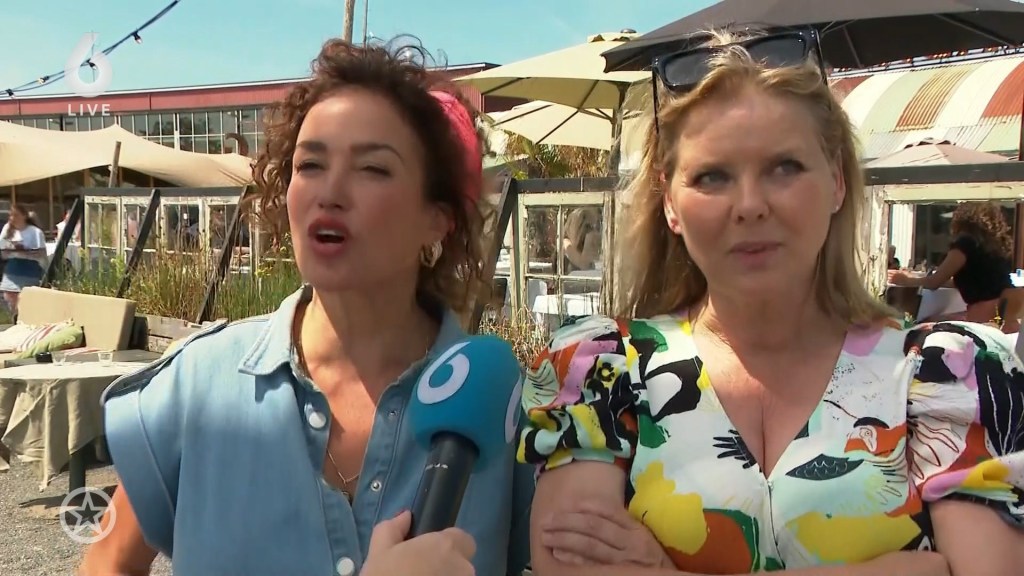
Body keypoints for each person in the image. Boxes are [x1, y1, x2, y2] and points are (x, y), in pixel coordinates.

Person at [517, 28, 1024, 575]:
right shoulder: (600, 370)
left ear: (837, 181)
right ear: (670, 204)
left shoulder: (949, 372)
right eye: (712, 176)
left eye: (784, 167)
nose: (750, 205)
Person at [79, 37, 533, 576]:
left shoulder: (504, 407)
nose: (329, 192)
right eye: (310, 164)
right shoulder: (196, 385)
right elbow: (106, 563)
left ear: (437, 219)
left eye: (373, 169)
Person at [889, 202, 1013, 327]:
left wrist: (906, 280)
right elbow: (975, 282)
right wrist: (916, 279)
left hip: (986, 314)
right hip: (1008, 309)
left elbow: (934, 282)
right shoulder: (995, 246)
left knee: (924, 325)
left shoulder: (966, 244)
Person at [0, 204, 47, 315]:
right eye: (11, 215)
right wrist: (14, 250)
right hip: (12, 270)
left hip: (29, 271)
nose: (12, 218)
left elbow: (41, 254)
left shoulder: (35, 232)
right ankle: (15, 320)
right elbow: (3, 253)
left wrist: (24, 252)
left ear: (24, 216)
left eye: (16, 215)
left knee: (26, 303)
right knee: (10, 300)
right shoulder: (8, 229)